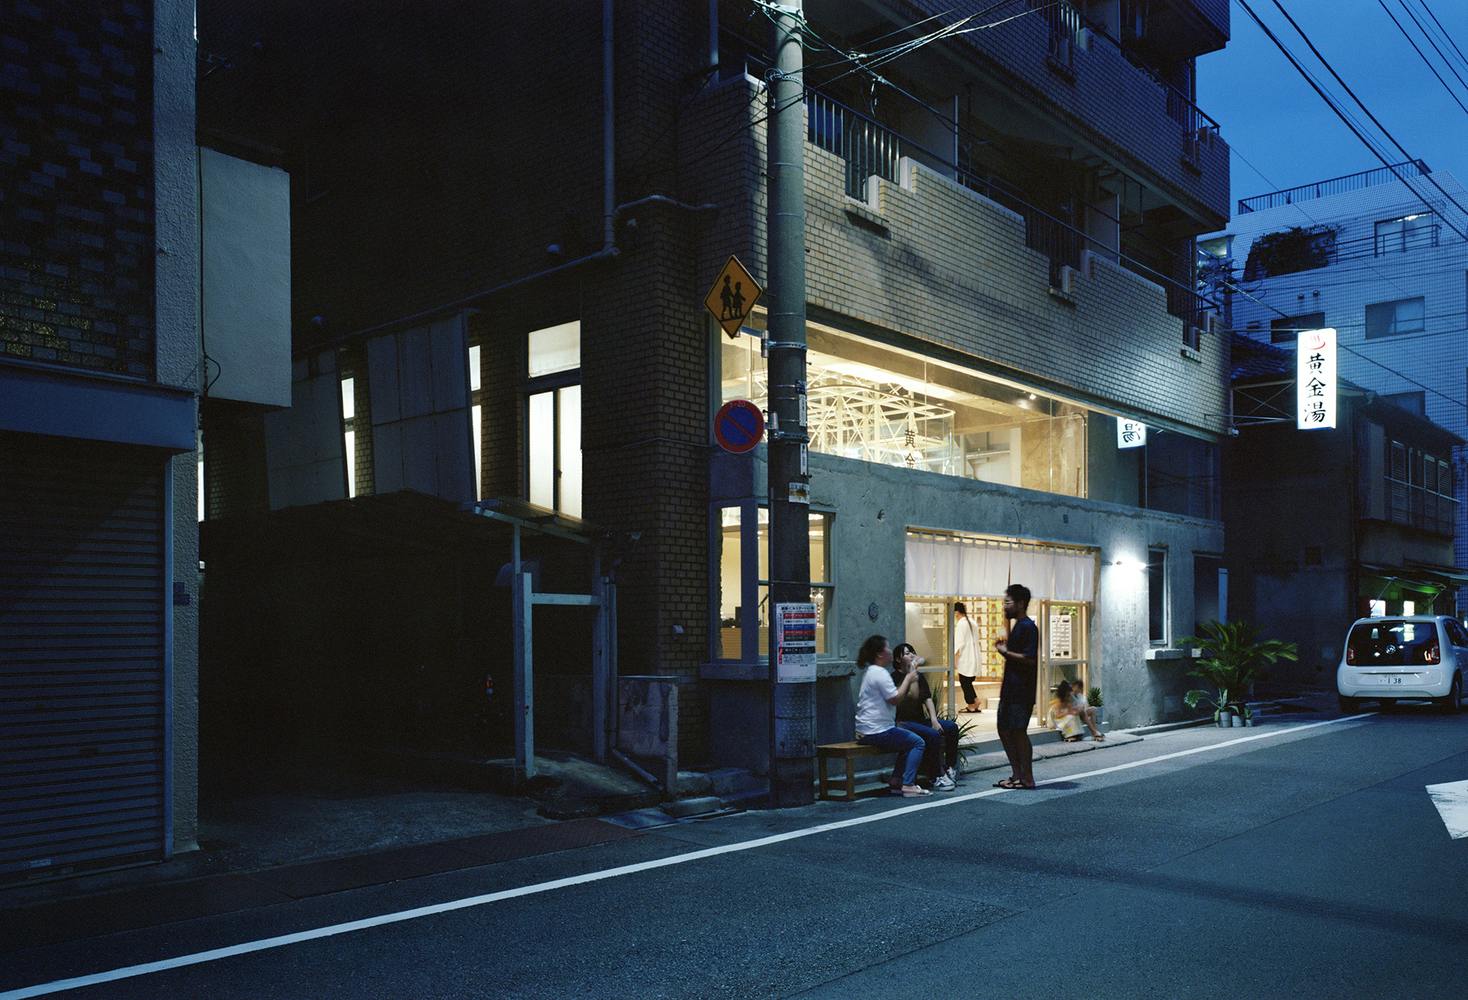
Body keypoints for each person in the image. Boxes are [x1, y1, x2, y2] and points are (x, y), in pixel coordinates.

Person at [853, 634, 930, 797]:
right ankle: (908, 784)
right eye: (887, 648)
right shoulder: (879, 673)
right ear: (880, 654)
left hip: (870, 729)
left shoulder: (873, 672)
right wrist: (909, 679)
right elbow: (895, 699)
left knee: (906, 741)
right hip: (876, 730)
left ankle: (896, 780)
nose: (890, 651)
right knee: (917, 742)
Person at [891, 643, 960, 790]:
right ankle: (936, 776)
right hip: (903, 722)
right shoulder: (895, 677)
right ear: (898, 659)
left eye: (912, 653)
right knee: (933, 735)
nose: (911, 656)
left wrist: (934, 719)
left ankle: (950, 768)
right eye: (907, 653)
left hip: (920, 720)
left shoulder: (918, 676)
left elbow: (927, 698)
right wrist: (911, 674)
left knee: (951, 727)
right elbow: (908, 696)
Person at [993, 583, 1039, 789]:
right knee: (1004, 729)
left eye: (1008, 602)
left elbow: (1030, 659)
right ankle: (1017, 774)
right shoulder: (1018, 626)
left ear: (1020, 604)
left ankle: (1027, 777)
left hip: (1022, 691)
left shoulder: (1028, 626)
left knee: (1018, 731)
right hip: (1011, 689)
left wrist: (1004, 651)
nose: (1004, 606)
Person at [953, 602, 982, 713]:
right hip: (974, 656)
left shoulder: (961, 624)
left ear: (956, 612)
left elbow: (959, 643)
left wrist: (955, 659)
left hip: (965, 657)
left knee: (964, 681)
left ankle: (972, 704)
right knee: (967, 681)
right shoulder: (972, 622)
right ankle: (975, 701)